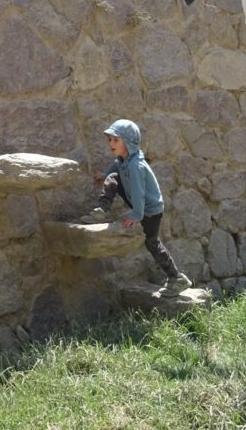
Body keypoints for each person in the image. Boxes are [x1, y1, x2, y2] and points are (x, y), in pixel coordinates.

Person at [80, 118, 192, 297]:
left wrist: (136, 215)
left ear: (129, 142)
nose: (111, 144)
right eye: (110, 140)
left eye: (116, 140)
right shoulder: (123, 160)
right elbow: (115, 167)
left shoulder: (135, 166)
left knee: (152, 243)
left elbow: (139, 193)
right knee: (113, 177)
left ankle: (177, 278)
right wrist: (105, 175)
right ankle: (102, 210)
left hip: (150, 210)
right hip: (137, 202)